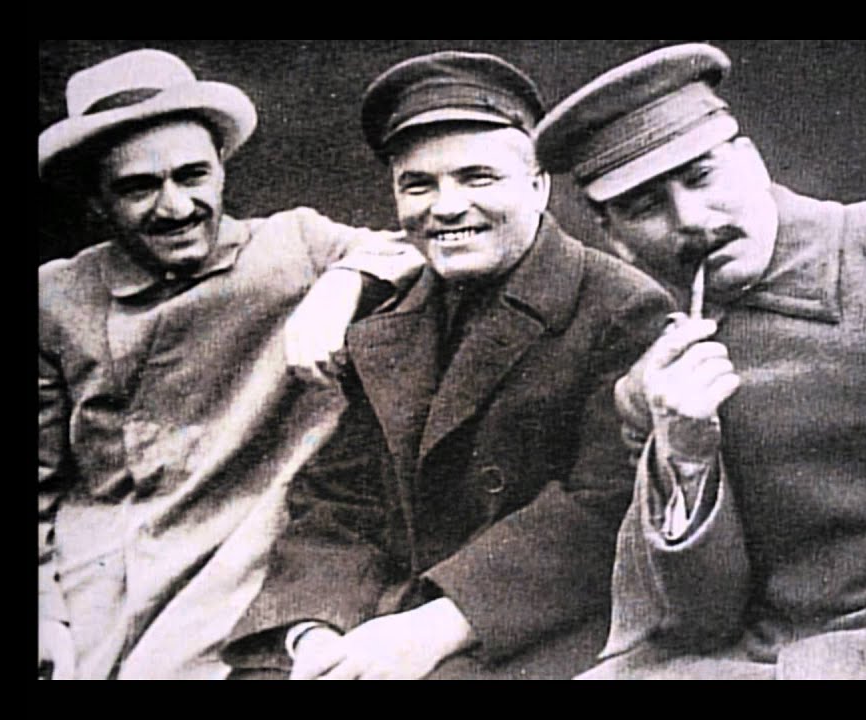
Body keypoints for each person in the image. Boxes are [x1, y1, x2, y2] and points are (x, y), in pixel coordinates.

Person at [222, 51, 673, 680]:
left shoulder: (621, 308)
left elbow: (607, 512)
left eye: (478, 178)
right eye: (418, 185)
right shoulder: (389, 313)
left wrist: (434, 628)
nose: (446, 207)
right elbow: (338, 501)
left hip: (529, 624)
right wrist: (313, 631)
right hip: (386, 616)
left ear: (538, 186)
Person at [533, 43, 866, 680]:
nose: (691, 219)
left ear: (750, 160)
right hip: (777, 660)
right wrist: (687, 456)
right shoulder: (657, 380)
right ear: (614, 239)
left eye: (701, 176)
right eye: (645, 206)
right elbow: (702, 621)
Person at [38, 49, 425, 679]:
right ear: (96, 201)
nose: (175, 207)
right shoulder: (56, 296)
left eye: (193, 175)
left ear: (221, 167)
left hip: (243, 552)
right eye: (138, 187)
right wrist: (44, 613)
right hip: (100, 571)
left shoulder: (292, 245)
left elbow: (416, 249)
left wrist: (342, 281)